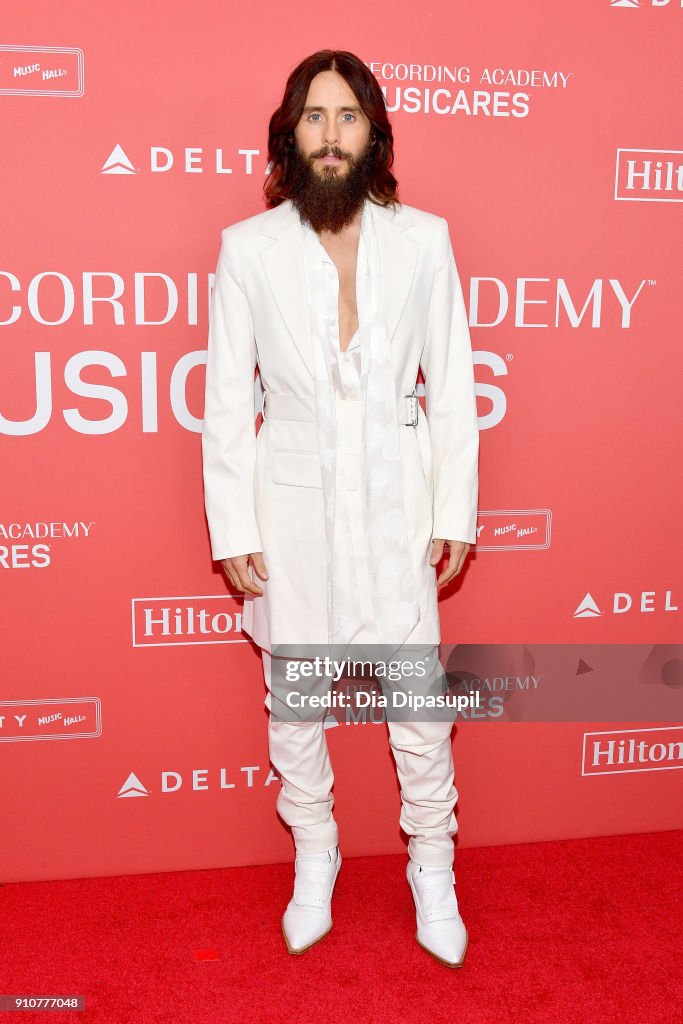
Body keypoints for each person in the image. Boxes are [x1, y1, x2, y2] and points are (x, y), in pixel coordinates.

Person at [201, 49, 479, 968]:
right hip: (288, 512)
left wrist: (454, 511)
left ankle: (431, 867)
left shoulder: (424, 239)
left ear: (373, 133)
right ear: (291, 133)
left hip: (398, 503)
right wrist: (234, 528)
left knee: (417, 704)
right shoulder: (249, 249)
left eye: (348, 116)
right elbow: (225, 407)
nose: (330, 134)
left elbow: (452, 389)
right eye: (314, 117)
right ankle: (313, 856)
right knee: (297, 703)